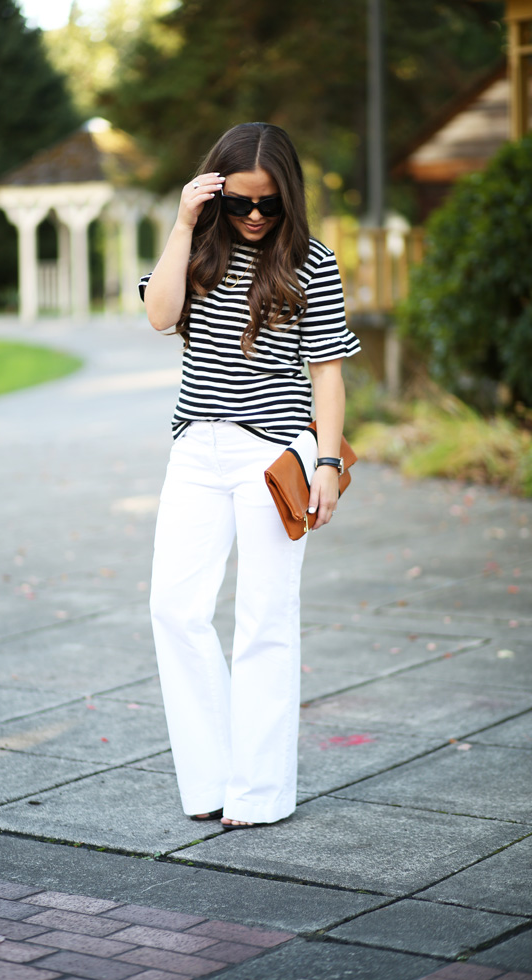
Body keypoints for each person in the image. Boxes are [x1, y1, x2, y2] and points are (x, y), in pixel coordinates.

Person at [139, 122, 360, 829]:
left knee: (265, 622)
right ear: (216, 195)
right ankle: (209, 782)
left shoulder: (311, 261)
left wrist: (327, 460)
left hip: (275, 456)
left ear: (288, 197)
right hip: (195, 453)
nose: (256, 216)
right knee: (175, 609)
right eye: (241, 203)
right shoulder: (198, 248)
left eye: (268, 203)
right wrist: (182, 223)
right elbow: (159, 316)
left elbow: (327, 373)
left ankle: (259, 793)